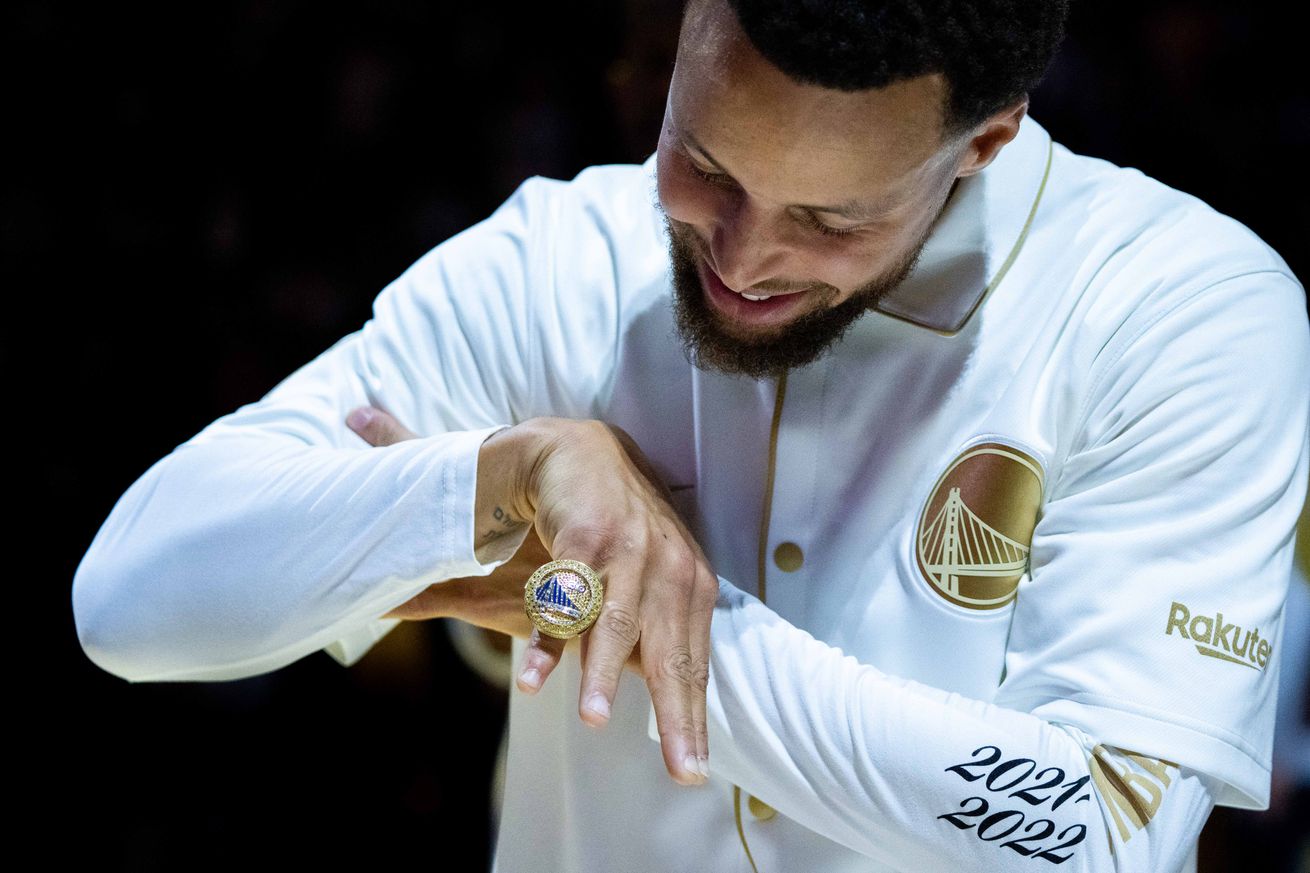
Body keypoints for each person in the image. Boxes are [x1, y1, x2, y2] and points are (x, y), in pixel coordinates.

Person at [72, 1, 1309, 871]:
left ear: (983, 141)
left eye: (830, 218)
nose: (741, 253)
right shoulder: (565, 257)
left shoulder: (1177, 307)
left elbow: (1095, 837)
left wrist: (618, 602)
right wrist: (492, 478)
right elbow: (130, 602)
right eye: (704, 163)